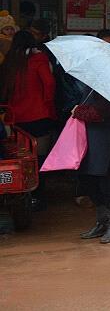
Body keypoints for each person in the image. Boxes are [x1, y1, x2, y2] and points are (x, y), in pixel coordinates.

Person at [0, 30, 57, 210]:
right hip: (39, 116)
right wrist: (47, 103)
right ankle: (38, 195)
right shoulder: (38, 59)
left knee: (20, 158)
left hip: (15, 118)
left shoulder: (9, 62)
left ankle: (22, 193)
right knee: (39, 157)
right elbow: (49, 84)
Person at [73, 89, 110, 243]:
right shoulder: (90, 86)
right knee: (89, 181)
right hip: (91, 139)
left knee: (107, 183)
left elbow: (100, 113)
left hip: (108, 142)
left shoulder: (109, 88)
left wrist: (77, 111)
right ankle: (102, 221)